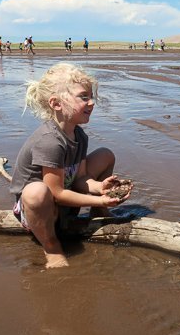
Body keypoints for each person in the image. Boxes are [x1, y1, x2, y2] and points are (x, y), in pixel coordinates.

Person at [9, 62, 132, 268]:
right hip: (39, 207)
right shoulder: (49, 141)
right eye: (84, 97)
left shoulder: (78, 134)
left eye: (92, 96)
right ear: (56, 104)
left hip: (64, 193)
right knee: (36, 192)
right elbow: (55, 193)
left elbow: (81, 177)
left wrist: (100, 188)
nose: (92, 102)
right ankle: (51, 246)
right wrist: (100, 201)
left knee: (105, 155)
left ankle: (98, 214)